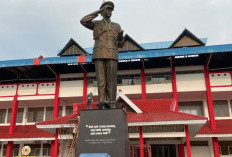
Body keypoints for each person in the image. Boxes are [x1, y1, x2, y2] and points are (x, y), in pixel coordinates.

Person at [80, 1, 124, 108]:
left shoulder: (116, 26)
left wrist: (121, 37)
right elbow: (83, 21)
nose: (109, 12)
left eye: (111, 10)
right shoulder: (96, 24)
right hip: (99, 53)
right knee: (101, 79)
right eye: (107, 9)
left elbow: (121, 45)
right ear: (102, 10)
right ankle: (101, 101)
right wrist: (98, 11)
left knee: (112, 80)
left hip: (112, 53)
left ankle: (112, 103)